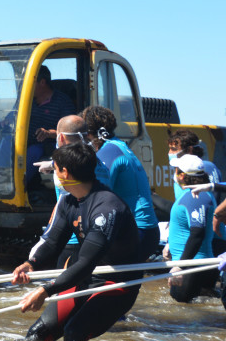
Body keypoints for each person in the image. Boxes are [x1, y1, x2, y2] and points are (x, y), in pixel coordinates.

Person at [12, 141, 140, 341]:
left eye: (55, 168)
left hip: (116, 283)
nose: (53, 172)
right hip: (83, 279)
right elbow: (53, 242)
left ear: (65, 172)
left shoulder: (107, 207)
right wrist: (30, 264)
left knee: (74, 335)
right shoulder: (68, 202)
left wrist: (45, 291)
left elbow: (86, 262)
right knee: (37, 335)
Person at [80, 106, 160, 261]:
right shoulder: (119, 146)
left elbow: (95, 197)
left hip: (137, 230)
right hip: (146, 229)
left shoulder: (107, 152)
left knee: (103, 282)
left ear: (89, 133)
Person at [36, 114, 113, 269]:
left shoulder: (70, 169)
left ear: (61, 138)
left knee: (66, 290)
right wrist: (52, 164)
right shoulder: (94, 160)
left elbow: (62, 206)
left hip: (72, 238)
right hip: (97, 236)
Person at [163, 153, 217, 302]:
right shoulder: (194, 194)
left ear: (182, 175)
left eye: (176, 170)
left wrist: (181, 266)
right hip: (193, 265)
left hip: (192, 267)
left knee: (181, 314)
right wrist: (169, 244)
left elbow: (197, 233)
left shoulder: (195, 196)